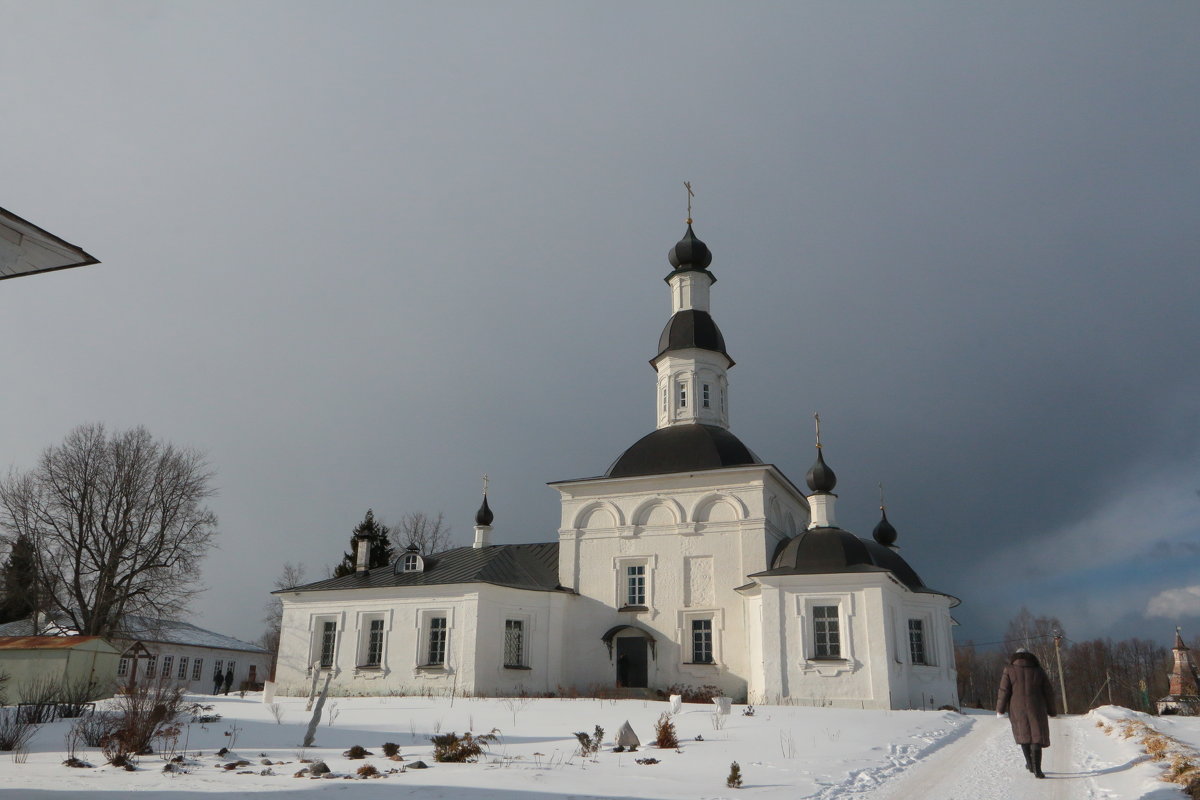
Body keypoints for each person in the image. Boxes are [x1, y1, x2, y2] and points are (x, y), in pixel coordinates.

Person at [996, 648, 1057, 778]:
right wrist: (1052, 710)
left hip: (1017, 708)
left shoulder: (1009, 670)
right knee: (1036, 736)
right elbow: (1048, 692)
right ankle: (1037, 770)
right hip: (1037, 707)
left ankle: (1029, 764)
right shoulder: (1038, 670)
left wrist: (1000, 709)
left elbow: (1003, 691)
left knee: (1024, 735)